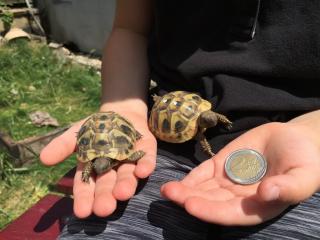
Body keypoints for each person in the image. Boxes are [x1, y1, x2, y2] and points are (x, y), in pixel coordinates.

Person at [40, 0, 320, 239]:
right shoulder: (177, 134)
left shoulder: (208, 120)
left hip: (301, 151)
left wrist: (312, 132)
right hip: (160, 142)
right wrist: (124, 104)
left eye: (212, 120)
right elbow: (129, 29)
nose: (212, 122)